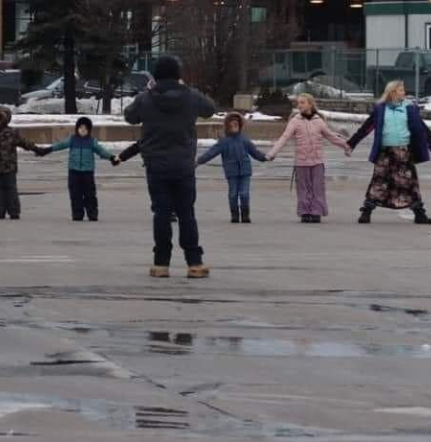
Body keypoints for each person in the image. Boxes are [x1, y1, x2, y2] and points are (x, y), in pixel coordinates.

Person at [124, 56, 215, 279]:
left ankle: (161, 263)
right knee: (186, 213)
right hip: (183, 164)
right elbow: (210, 109)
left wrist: (148, 93)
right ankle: (194, 262)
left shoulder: (147, 98)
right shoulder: (191, 96)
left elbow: (129, 116)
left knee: (161, 213)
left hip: (156, 165)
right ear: (178, 74)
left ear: (155, 76)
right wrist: (187, 88)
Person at [347, 80, 431, 225]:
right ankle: (366, 212)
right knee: (379, 181)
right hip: (385, 152)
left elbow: (422, 129)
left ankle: (419, 214)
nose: (404, 92)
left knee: (409, 183)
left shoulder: (410, 109)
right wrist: (351, 144)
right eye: (401, 90)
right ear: (392, 92)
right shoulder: (380, 109)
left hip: (403, 151)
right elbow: (366, 128)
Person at [266, 94, 351, 224]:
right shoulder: (295, 121)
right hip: (301, 162)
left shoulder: (319, 121)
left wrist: (346, 146)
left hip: (317, 162)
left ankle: (316, 212)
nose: (299, 105)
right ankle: (305, 212)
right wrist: (272, 153)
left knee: (318, 188)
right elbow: (284, 138)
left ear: (310, 104)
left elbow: (331, 136)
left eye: (302, 102)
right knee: (303, 188)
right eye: (298, 103)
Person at [37, 116, 114, 221]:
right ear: (77, 128)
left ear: (89, 130)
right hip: (74, 171)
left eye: (85, 128)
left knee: (90, 194)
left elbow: (101, 151)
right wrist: (47, 150)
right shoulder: (72, 139)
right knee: (75, 194)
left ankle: (92, 214)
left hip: (87, 172)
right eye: (80, 128)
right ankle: (77, 214)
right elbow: (60, 145)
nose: (82, 130)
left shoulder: (91, 141)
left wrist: (111, 157)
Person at [196, 112, 268, 224]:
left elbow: (255, 152)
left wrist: (266, 157)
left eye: (237, 125)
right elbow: (211, 153)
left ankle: (245, 215)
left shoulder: (244, 140)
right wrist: (198, 161)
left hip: (245, 171)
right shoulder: (224, 141)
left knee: (244, 194)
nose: (235, 127)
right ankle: (234, 215)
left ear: (240, 126)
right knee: (233, 194)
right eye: (232, 125)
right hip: (231, 172)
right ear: (227, 126)